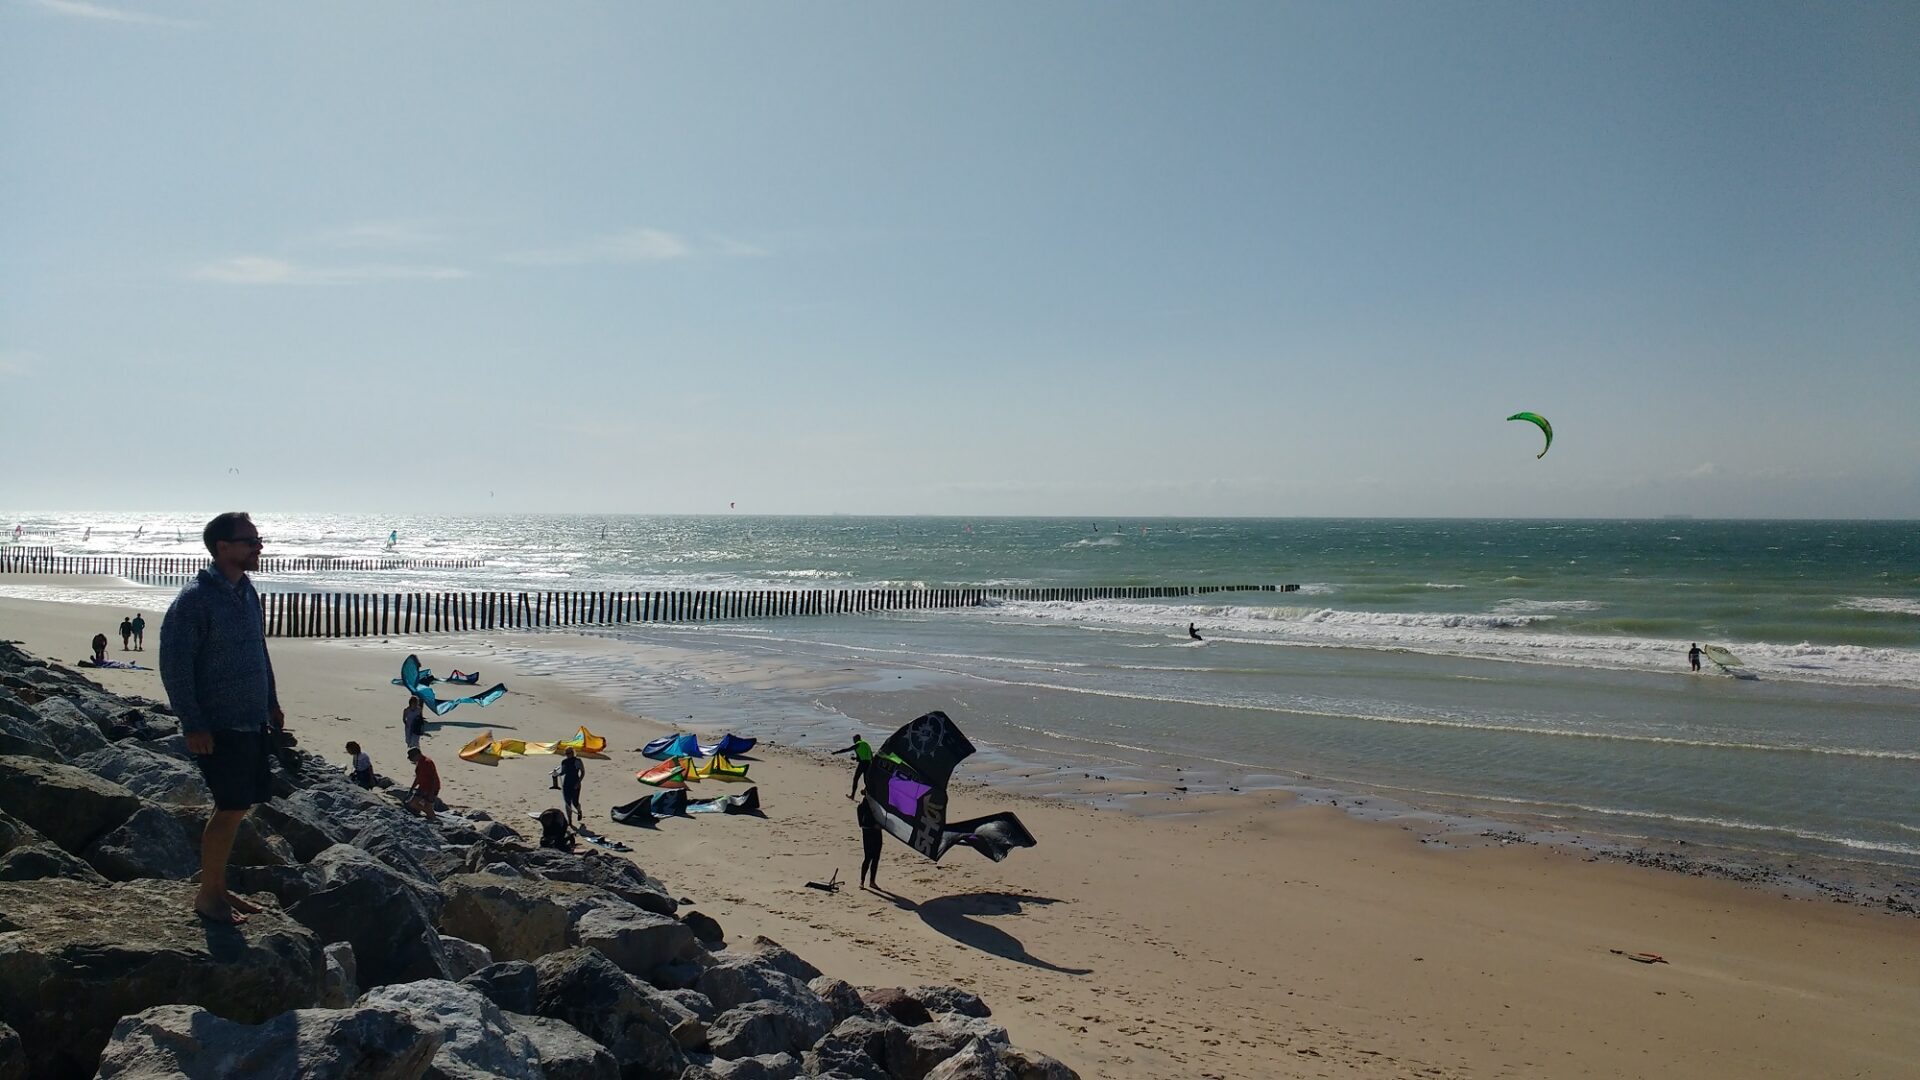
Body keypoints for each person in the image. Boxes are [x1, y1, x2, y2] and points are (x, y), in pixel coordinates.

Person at [158, 511, 283, 926]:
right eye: (250, 540)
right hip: (219, 724)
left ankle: (216, 886)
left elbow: (258, 650)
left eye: (258, 539)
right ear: (223, 547)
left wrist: (272, 701)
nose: (258, 546)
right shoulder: (194, 600)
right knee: (230, 807)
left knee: (238, 806)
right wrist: (192, 723)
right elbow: (175, 665)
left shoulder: (246, 591)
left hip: (251, 719)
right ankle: (208, 896)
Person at [832, 734, 872, 800]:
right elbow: (869, 755)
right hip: (869, 764)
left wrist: (836, 752)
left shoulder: (858, 744)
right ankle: (868, 794)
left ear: (856, 739)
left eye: (854, 740)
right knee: (866, 781)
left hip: (862, 764)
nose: (853, 741)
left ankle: (852, 796)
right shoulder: (866, 744)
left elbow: (847, 750)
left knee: (856, 779)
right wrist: (856, 758)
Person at [406, 747, 440, 820]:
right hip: (422, 787)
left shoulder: (428, 762)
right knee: (413, 803)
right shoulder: (419, 763)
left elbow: (433, 779)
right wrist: (412, 788)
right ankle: (428, 813)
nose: (411, 759)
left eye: (412, 757)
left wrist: (431, 793)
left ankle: (432, 817)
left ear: (418, 755)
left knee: (428, 805)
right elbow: (418, 777)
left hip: (431, 788)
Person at [857, 797, 883, 890]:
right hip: (869, 834)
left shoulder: (878, 805)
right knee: (868, 858)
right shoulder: (862, 806)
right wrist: (873, 825)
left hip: (875, 833)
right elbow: (861, 824)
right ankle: (863, 881)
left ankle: (871, 881)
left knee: (875, 858)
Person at [558, 746, 585, 826]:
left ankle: (579, 811)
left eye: (569, 753)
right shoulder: (564, 762)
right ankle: (570, 821)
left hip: (575, 783)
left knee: (575, 802)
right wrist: (557, 774)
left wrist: (578, 782)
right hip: (566, 783)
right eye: (566, 753)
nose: (568, 755)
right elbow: (563, 772)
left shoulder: (578, 761)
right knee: (567, 803)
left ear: (573, 753)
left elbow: (582, 772)